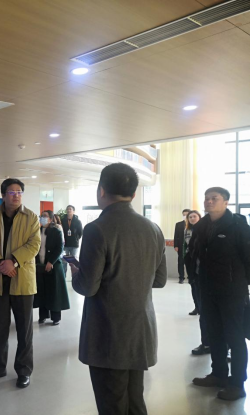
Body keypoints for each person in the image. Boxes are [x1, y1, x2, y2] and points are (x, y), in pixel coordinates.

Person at [70, 163, 167, 415]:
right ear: (133, 194)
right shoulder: (153, 229)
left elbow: (88, 287)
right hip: (140, 330)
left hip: (108, 333)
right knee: (135, 400)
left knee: (112, 403)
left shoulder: (97, 229)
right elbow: (159, 280)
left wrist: (76, 274)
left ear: (101, 190)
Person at [0, 178, 41, 389]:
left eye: (19, 192)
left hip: (22, 280)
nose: (16, 195)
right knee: (0, 329)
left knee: (24, 330)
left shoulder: (31, 217)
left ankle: (24, 370)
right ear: (3, 195)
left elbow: (34, 244)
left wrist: (12, 261)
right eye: (12, 192)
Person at [190, 187, 250, 401]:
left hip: (232, 290)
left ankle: (237, 384)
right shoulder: (201, 226)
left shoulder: (238, 225)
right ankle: (218, 374)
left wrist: (243, 285)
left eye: (214, 198)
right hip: (207, 289)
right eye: (206, 198)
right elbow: (194, 253)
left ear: (226, 202)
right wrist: (194, 277)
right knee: (214, 334)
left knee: (234, 336)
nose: (208, 202)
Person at [34, 210, 70, 325]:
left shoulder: (56, 231)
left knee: (54, 292)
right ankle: (43, 316)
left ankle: (55, 317)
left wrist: (51, 262)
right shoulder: (37, 231)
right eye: (41, 216)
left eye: (45, 216)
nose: (42, 218)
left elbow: (59, 248)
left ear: (50, 218)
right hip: (40, 265)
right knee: (42, 291)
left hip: (53, 265)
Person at [183, 210, 210, 356]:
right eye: (190, 217)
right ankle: (206, 344)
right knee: (204, 314)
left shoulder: (233, 227)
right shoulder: (195, 231)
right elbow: (191, 253)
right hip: (200, 277)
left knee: (223, 317)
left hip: (223, 281)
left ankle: (226, 348)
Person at [184, 210, 202, 316]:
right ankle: (197, 307)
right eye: (190, 217)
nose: (192, 219)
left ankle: (203, 307)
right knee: (193, 283)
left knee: (200, 284)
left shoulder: (204, 228)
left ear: (199, 217)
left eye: (194, 216)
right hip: (190, 259)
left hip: (200, 259)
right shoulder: (187, 230)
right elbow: (185, 244)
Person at [174, 209, 191, 284]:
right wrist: (176, 245)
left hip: (190, 247)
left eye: (186, 214)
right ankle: (181, 277)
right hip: (181, 246)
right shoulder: (178, 224)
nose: (185, 216)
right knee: (181, 262)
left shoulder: (192, 224)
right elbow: (176, 235)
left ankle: (190, 277)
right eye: (184, 215)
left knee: (189, 263)